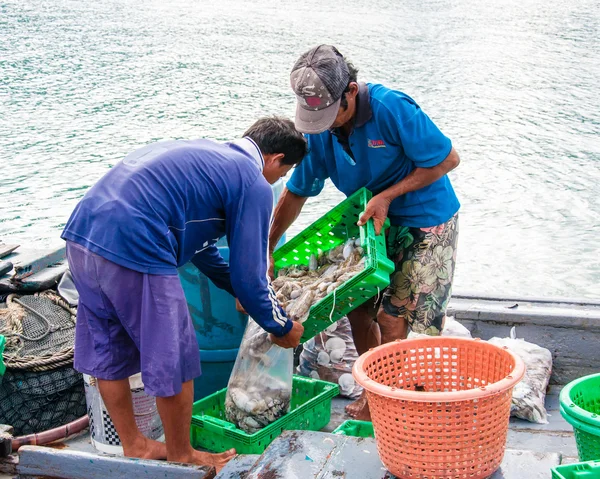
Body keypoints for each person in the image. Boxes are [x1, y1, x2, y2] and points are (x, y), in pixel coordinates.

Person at [61, 117, 307, 471]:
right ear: (275, 158)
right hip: (135, 244)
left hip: (83, 238)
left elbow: (204, 251)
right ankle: (181, 454)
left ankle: (135, 445)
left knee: (109, 350)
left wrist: (239, 289)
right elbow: (251, 275)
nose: (278, 180)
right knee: (173, 354)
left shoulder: (211, 159)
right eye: (283, 173)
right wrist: (280, 325)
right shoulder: (252, 181)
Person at [268, 45, 461, 420]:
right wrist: (267, 247)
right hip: (370, 223)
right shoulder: (320, 132)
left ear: (351, 91)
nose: (321, 124)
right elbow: (296, 192)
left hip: (426, 220)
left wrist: (387, 196)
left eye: (327, 114)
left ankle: (382, 403)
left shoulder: (391, 108)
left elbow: (448, 159)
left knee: (393, 319)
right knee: (357, 306)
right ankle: (377, 386)